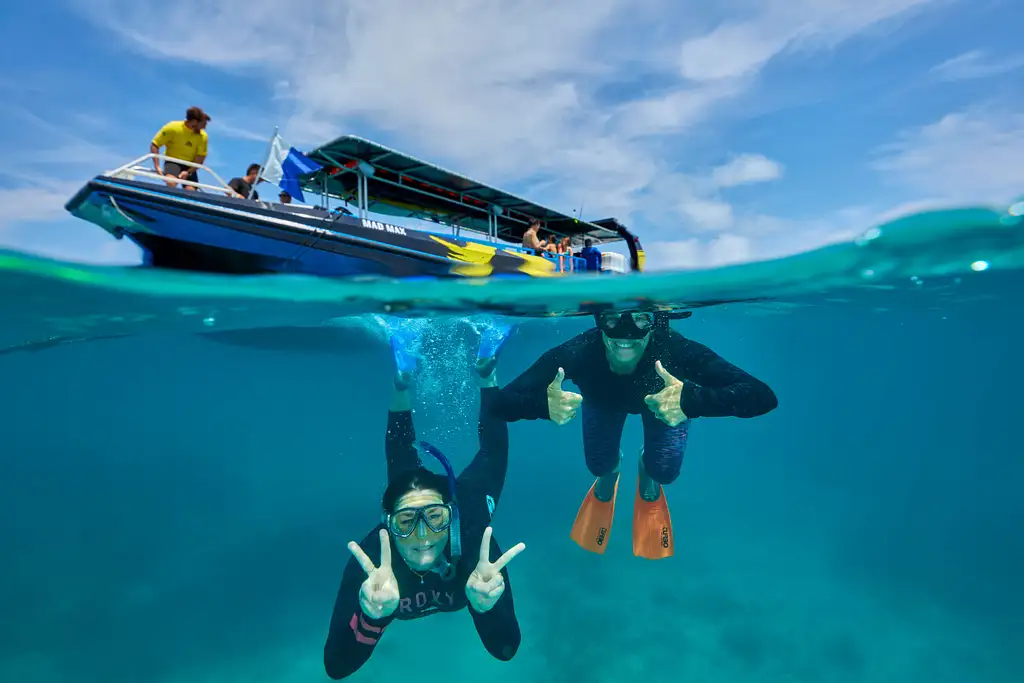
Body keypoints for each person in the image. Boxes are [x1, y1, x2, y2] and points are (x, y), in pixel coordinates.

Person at [488, 309, 777, 560]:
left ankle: (647, 470)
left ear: (655, 322)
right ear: (599, 319)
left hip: (666, 404)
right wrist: (540, 405)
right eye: (613, 319)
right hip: (603, 402)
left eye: (640, 319)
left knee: (663, 471)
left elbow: (762, 396)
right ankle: (609, 473)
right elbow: (498, 405)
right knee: (599, 465)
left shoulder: (675, 349)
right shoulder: (578, 351)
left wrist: (691, 401)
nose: (626, 332)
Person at [323, 322, 525, 680]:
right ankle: (402, 376)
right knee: (401, 462)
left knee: (493, 455)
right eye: (405, 522)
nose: (423, 535)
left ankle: (485, 370)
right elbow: (336, 666)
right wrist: (372, 616)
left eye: (435, 517)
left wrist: (486, 606)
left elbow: (504, 648)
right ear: (388, 523)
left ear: (451, 515)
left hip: (469, 501)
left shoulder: (478, 542)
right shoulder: (372, 561)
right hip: (414, 498)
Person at [150, 106, 210, 190]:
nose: (204, 128)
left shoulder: (203, 136)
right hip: (173, 161)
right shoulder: (172, 127)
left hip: (190, 166)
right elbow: (155, 145)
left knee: (191, 191)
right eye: (203, 124)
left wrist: (188, 172)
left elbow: (200, 159)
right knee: (171, 182)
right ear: (195, 122)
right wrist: (157, 166)